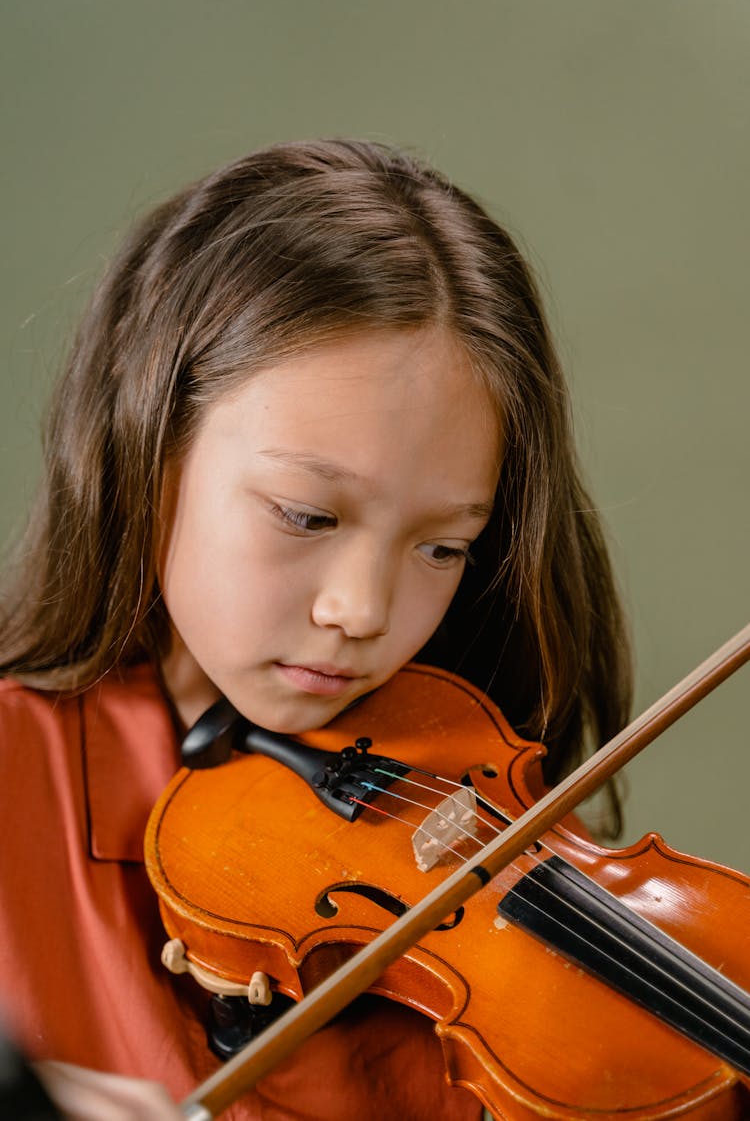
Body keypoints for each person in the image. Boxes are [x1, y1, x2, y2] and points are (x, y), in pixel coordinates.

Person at [0, 139, 632, 1120]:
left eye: (442, 547)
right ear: (147, 443)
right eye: (306, 514)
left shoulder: (480, 841)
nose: (363, 611)